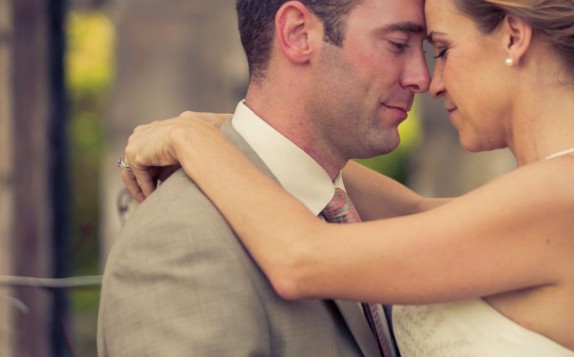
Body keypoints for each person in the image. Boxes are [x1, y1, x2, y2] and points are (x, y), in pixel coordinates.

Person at [120, 0, 574, 356]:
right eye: (402, 46)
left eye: (442, 49)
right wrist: (228, 128)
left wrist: (190, 140)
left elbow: (299, 257)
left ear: (513, 37)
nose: (429, 81)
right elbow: (410, 213)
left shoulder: (568, 195)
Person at [98, 0, 430, 356]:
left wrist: (198, 137)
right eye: (397, 44)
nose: (422, 78)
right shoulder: (179, 240)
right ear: (298, 33)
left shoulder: (351, 211)